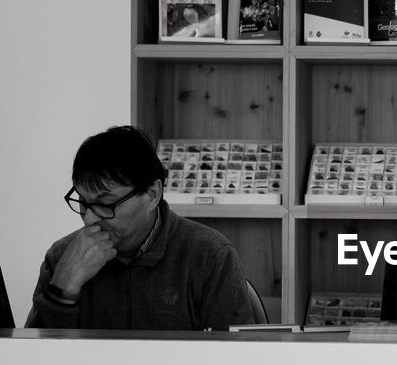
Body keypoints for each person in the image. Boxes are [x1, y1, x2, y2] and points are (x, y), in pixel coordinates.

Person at [27, 125, 256, 331]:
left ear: (152, 194)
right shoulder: (62, 256)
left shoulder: (210, 255)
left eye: (106, 204)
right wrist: (63, 290)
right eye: (84, 203)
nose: (89, 219)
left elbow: (236, 361)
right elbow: (33, 363)